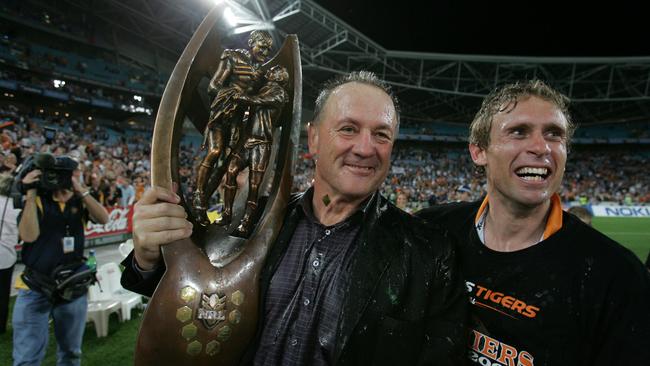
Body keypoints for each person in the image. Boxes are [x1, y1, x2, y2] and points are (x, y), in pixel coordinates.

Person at [121, 71, 467, 365]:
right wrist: (148, 257)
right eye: (348, 128)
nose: (365, 148)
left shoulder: (428, 254)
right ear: (313, 138)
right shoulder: (251, 221)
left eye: (381, 134)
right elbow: (195, 293)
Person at [417, 79, 650, 365]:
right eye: (518, 131)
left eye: (554, 134)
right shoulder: (431, 231)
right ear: (478, 151)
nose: (541, 147)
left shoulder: (617, 276)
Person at [13, 159, 109, 366]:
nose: (59, 180)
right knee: (27, 359)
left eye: (66, 175)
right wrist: (30, 193)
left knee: (71, 354)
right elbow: (28, 237)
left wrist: (81, 191)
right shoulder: (38, 199)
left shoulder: (78, 200)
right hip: (36, 287)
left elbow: (104, 219)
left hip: (72, 288)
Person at [193, 30, 273, 225]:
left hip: (237, 122)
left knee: (224, 165)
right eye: (261, 46)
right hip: (221, 113)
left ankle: (207, 206)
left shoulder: (262, 73)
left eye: (268, 49)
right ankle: (198, 193)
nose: (264, 51)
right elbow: (214, 86)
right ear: (251, 43)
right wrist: (232, 95)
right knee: (215, 150)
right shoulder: (233, 57)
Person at [221, 65, 289, 235]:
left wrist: (239, 96)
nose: (270, 71)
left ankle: (246, 222)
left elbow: (258, 101)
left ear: (280, 77)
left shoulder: (280, 93)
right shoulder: (262, 88)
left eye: (274, 70)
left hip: (261, 143)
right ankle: (227, 214)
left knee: (253, 185)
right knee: (230, 172)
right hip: (246, 141)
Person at [0, 173, 20, 334]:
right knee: (3, 293)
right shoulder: (15, 207)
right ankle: (1, 324)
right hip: (6, 255)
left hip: (6, 253)